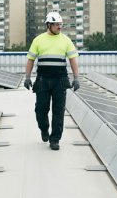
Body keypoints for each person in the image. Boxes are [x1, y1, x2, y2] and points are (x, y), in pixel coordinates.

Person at [23, 11, 80, 150]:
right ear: (49, 25)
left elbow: (73, 60)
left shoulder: (66, 40)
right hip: (42, 80)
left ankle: (55, 140)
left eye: (60, 25)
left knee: (58, 111)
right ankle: (44, 129)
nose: (59, 27)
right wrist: (27, 77)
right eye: (56, 25)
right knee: (40, 110)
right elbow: (30, 59)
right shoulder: (38, 40)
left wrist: (76, 78)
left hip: (60, 80)